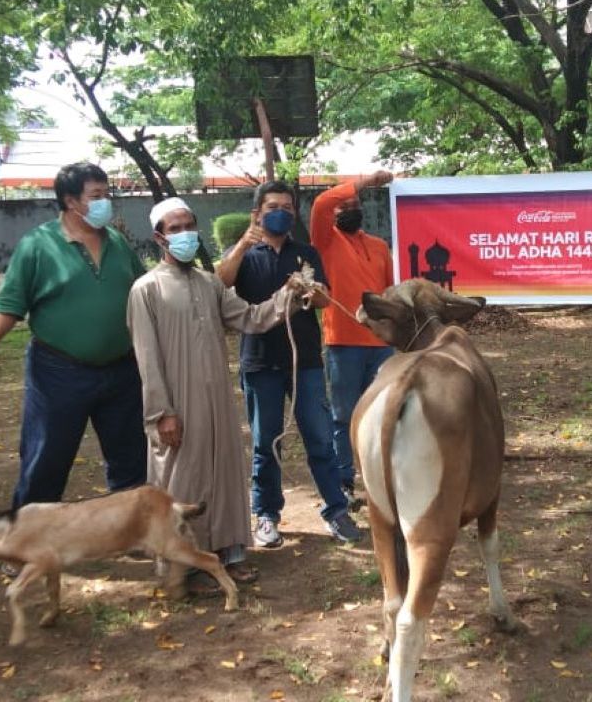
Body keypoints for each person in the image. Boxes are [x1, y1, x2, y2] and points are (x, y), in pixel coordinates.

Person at [128, 197, 309, 593]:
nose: (185, 234)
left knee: (225, 472)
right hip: (176, 401)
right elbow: (146, 358)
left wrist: (288, 296)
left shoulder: (209, 284)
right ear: (160, 237)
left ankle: (231, 553)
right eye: (175, 229)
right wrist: (162, 412)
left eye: (189, 225)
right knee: (182, 481)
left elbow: (249, 317)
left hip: (216, 398)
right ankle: (183, 569)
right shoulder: (146, 289)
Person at [0, 162, 147, 517]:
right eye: (96, 196)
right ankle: (26, 539)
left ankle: (131, 530)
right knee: (46, 456)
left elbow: (145, 292)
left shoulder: (116, 242)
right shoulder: (39, 245)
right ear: (70, 200)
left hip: (122, 370)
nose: (105, 202)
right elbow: (10, 300)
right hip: (58, 372)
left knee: (130, 457)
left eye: (106, 194)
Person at [217, 180, 364, 548]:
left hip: (306, 363)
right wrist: (241, 245)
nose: (280, 212)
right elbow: (220, 284)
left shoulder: (306, 253)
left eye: (286, 206)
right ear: (257, 212)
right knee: (266, 444)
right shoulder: (245, 254)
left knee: (319, 438)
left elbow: (325, 301)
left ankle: (336, 509)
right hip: (260, 363)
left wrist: (312, 292)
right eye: (272, 207)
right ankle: (266, 514)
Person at [310, 170, 395, 501]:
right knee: (343, 414)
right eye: (342, 205)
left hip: (381, 345)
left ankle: (379, 474)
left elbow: (388, 293)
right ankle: (344, 480)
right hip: (343, 342)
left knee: (382, 410)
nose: (349, 208)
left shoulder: (378, 246)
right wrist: (367, 180)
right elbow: (320, 203)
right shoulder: (326, 242)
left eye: (355, 203)